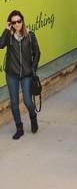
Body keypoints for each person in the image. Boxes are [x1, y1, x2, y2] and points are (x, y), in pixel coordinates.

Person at [1, 10, 40, 139]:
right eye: (14, 22)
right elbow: (0, 45)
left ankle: (33, 117)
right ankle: (19, 127)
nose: (17, 24)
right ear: (11, 23)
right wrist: (6, 30)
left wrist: (33, 68)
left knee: (28, 101)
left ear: (22, 21)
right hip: (12, 74)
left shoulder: (30, 35)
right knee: (14, 103)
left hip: (26, 74)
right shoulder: (9, 37)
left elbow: (37, 53)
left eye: (19, 21)